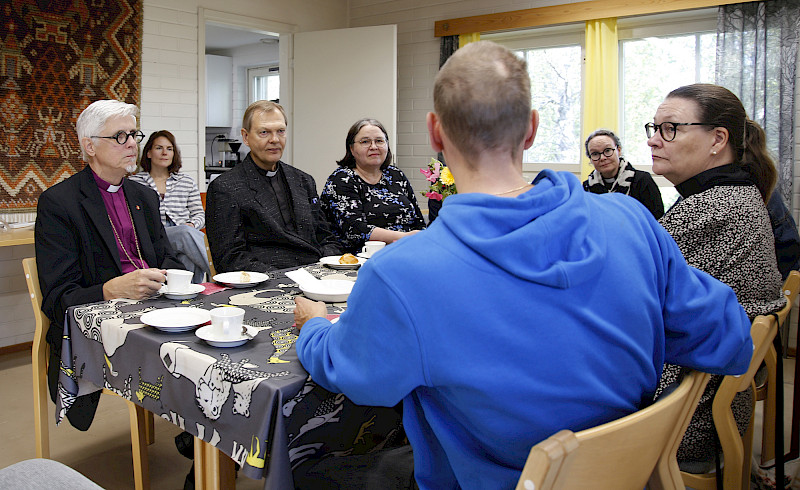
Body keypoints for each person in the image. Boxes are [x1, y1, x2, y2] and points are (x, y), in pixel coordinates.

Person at [291, 41, 753, 489]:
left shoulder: (402, 272)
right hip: (628, 472)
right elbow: (729, 340)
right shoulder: (632, 222)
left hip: (491, 479)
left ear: (435, 133)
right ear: (531, 129)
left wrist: (313, 327)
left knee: (307, 470)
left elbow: (358, 377)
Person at [647, 83, 787, 469]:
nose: (655, 141)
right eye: (654, 128)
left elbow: (629, 289)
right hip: (711, 392)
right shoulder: (737, 194)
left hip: (689, 411)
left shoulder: (713, 206)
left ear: (717, 139)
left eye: (670, 129)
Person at [35, 100, 182, 430]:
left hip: (157, 309)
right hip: (103, 322)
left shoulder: (143, 197)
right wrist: (110, 289)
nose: (132, 143)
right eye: (119, 136)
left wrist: (173, 275)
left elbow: (166, 257)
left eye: (133, 134)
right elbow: (58, 298)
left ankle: (198, 437)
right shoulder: (59, 203)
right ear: (89, 146)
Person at [205, 101, 341, 272]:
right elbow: (230, 258)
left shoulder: (304, 181)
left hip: (317, 275)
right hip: (268, 283)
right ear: (245, 137)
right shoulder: (225, 188)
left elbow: (326, 237)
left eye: (280, 131)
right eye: (264, 132)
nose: (274, 139)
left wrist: (326, 266)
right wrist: (289, 277)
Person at [320, 118, 425, 253]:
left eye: (379, 141)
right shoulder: (342, 179)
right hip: (360, 257)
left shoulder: (395, 174)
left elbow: (418, 221)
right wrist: (403, 237)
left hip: (406, 250)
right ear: (351, 149)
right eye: (365, 142)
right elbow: (355, 230)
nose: (374, 147)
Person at [129, 130, 210, 283]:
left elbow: (200, 215)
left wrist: (192, 224)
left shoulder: (186, 181)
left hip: (183, 239)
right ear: (148, 153)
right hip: (154, 239)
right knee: (186, 233)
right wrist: (187, 229)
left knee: (187, 255)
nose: (165, 152)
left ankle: (188, 298)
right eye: (159, 148)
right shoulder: (135, 183)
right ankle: (222, 274)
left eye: (169, 148)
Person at [583, 129, 664, 219]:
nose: (602, 158)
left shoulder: (642, 180)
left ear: (619, 150)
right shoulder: (587, 188)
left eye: (608, 150)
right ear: (590, 159)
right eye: (595, 154)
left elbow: (657, 219)